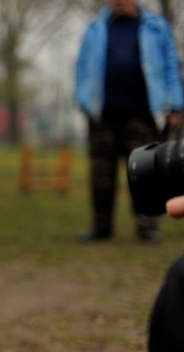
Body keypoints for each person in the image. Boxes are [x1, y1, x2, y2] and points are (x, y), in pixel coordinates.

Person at [74, 0, 183, 243]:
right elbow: (81, 67)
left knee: (145, 174)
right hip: (103, 115)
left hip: (143, 115)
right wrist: (83, 101)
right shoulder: (95, 27)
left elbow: (170, 68)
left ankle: (147, 227)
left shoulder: (156, 26)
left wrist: (174, 104)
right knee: (101, 175)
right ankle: (101, 226)